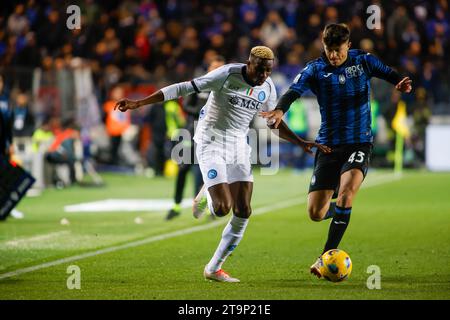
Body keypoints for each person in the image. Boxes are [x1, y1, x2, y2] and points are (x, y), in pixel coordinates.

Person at [115, 46, 330, 282]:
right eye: (259, 70)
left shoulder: (267, 88)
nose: (263, 76)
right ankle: (208, 188)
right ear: (249, 63)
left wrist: (300, 142)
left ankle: (213, 268)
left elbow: (273, 123)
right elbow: (183, 88)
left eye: (268, 71)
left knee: (244, 210)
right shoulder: (226, 74)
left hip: (238, 145)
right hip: (210, 141)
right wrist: (139, 103)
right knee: (221, 209)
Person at [261, 24, 412, 278]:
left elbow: (387, 72)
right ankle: (342, 212)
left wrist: (399, 82)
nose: (333, 55)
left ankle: (325, 256)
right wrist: (279, 109)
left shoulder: (363, 61)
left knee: (346, 193)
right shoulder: (315, 69)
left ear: (348, 45)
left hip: (359, 142)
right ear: (324, 46)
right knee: (315, 213)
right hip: (328, 146)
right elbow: (293, 92)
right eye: (329, 50)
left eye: (338, 50)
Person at [166, 55, 225, 221]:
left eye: (220, 68)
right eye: (214, 67)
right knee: (184, 167)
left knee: (205, 170)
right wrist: (203, 114)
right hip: (192, 131)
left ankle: (203, 206)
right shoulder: (200, 84)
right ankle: (176, 205)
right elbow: (186, 105)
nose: (217, 71)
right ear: (209, 68)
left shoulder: (225, 88)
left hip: (213, 135)